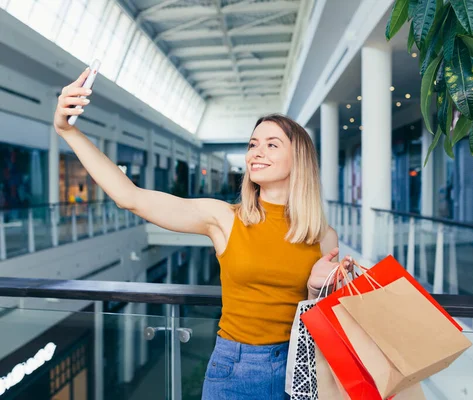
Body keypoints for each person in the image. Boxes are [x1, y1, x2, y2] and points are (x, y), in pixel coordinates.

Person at [53, 68, 351, 400]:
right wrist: (68, 132)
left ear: (300, 160)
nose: (256, 152)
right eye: (253, 144)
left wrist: (314, 291)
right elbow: (131, 198)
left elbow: (324, 323)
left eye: (271, 144)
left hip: (299, 368)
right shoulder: (224, 218)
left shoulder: (324, 237)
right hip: (234, 370)